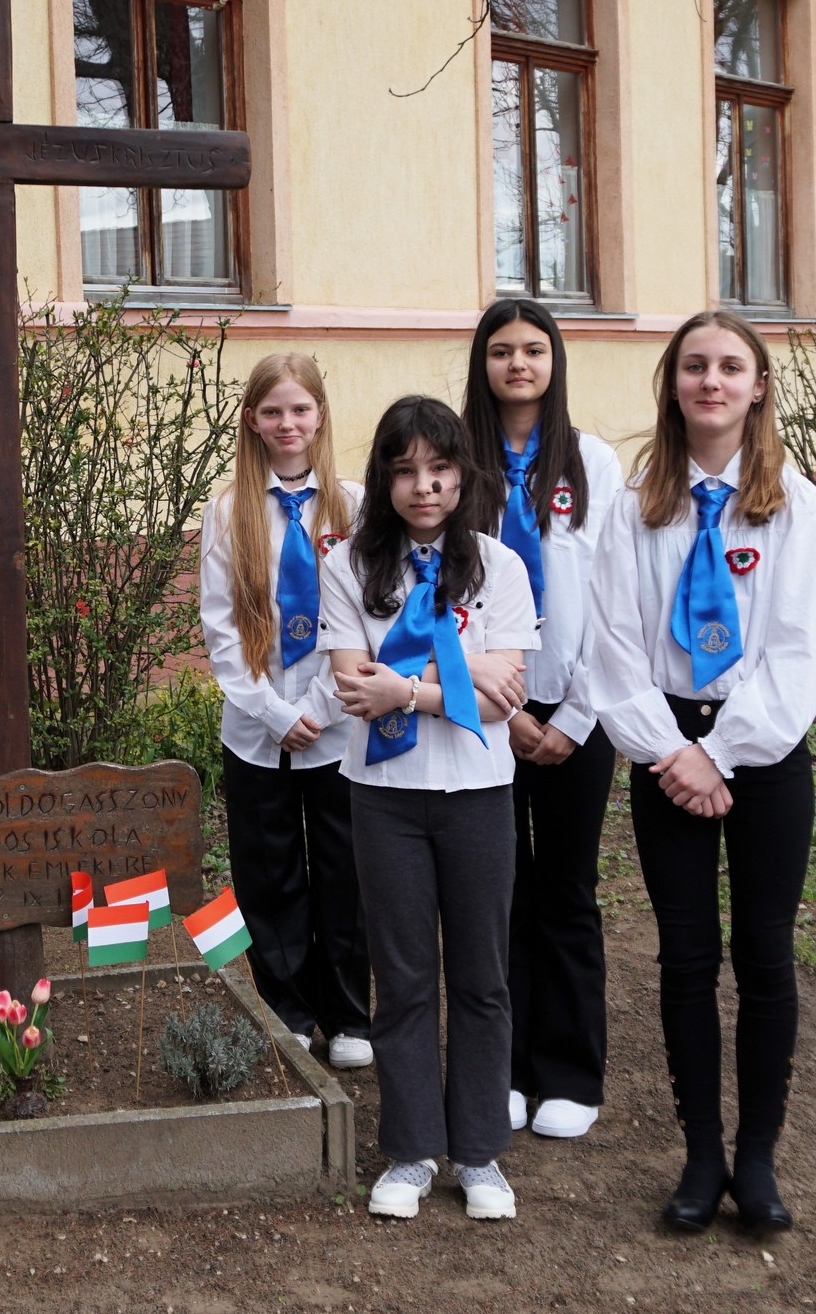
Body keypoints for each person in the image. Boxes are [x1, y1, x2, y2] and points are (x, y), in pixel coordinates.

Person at [588, 311, 816, 1234]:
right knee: (686, 957)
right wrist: (671, 753)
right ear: (673, 383)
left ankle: (758, 1158)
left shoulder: (793, 503)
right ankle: (700, 1156)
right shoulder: (636, 506)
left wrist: (721, 752)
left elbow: (805, 646)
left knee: (765, 954)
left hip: (760, 754)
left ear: (757, 386)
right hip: (665, 751)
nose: (710, 381)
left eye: (730, 367)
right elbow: (611, 646)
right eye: (694, 366)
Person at [320, 395, 536, 1221]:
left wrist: (408, 686)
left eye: (439, 469)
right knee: (403, 977)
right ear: (383, 478)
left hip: (478, 794)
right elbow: (352, 688)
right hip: (384, 799)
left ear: (461, 474)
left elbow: (506, 698)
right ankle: (410, 1151)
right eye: (405, 470)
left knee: (481, 978)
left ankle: (478, 1154)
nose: (424, 487)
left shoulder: (497, 566)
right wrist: (465, 671)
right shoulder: (347, 566)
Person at [461, 298, 624, 1140]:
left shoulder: (592, 462)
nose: (517, 364)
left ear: (554, 360)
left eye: (532, 349)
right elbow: (439, 594)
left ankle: (568, 1070)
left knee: (565, 890)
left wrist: (577, 715)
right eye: (500, 351)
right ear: (481, 363)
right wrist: (499, 710)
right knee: (496, 894)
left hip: (573, 713)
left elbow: (615, 601)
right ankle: (505, 1069)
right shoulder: (456, 461)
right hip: (482, 711)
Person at [199, 352, 371, 1069]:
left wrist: (323, 706)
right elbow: (220, 629)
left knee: (344, 867)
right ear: (252, 421)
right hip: (257, 727)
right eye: (272, 411)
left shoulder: (354, 505)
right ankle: (288, 1010)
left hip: (340, 723)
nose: (287, 423)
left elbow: (370, 614)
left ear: (320, 415)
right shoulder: (227, 512)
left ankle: (349, 1014)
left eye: (299, 409)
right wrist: (274, 712)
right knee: (269, 872)